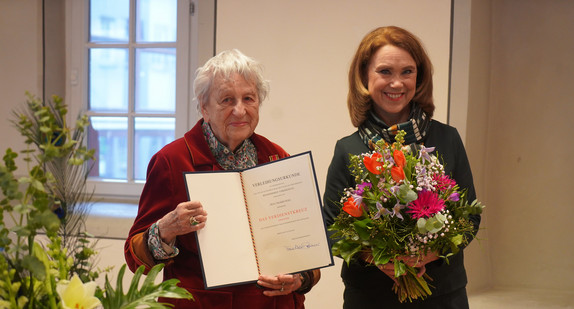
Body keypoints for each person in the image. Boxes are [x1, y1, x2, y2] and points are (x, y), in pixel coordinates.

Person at [125, 49, 320, 308]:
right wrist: (166, 229)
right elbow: (134, 257)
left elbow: (308, 253)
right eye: (227, 100)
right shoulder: (171, 161)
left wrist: (300, 278)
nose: (240, 110)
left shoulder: (277, 157)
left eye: (248, 98)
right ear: (204, 107)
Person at [322, 26, 481, 308]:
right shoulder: (348, 149)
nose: (397, 83)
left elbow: (470, 219)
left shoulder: (448, 138)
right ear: (364, 77)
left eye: (407, 72)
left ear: (419, 78)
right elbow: (331, 227)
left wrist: (428, 253)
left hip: (443, 295)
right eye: (385, 71)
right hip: (370, 297)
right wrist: (378, 257)